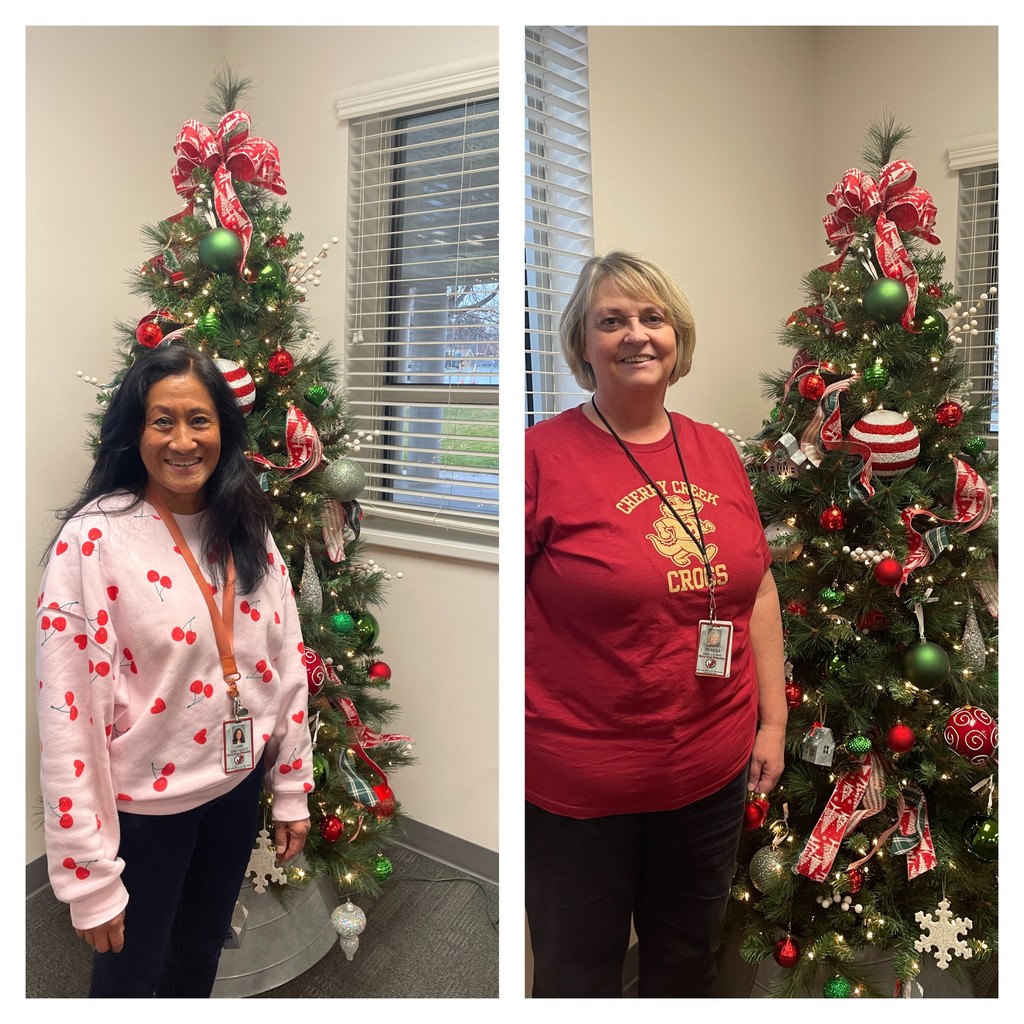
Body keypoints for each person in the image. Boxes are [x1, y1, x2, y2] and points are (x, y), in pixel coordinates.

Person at [525, 251, 787, 998]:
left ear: (678, 337)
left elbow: (756, 585)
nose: (636, 335)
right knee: (579, 976)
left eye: (652, 317)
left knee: (684, 962)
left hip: (710, 770)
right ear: (583, 342)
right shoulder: (539, 458)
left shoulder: (716, 449)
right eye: (611, 320)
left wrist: (771, 723)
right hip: (581, 787)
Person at [35, 344, 313, 998]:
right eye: (163, 421)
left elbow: (283, 654)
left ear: (225, 429)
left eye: (200, 420)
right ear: (135, 431)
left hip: (234, 787)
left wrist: (292, 779)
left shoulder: (244, 522)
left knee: (198, 959)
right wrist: (89, 874)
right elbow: (67, 716)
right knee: (131, 977)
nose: (183, 441)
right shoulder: (94, 540)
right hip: (145, 813)